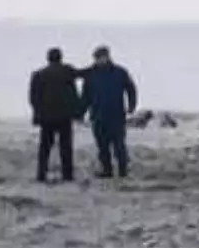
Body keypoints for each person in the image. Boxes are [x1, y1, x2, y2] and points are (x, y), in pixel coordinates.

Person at [79, 45, 138, 178]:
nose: (99, 60)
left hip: (116, 115)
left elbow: (131, 89)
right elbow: (85, 96)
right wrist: (80, 113)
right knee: (102, 146)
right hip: (98, 115)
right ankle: (107, 170)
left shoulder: (119, 72)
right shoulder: (91, 75)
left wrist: (131, 106)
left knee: (119, 145)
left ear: (108, 57)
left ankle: (123, 171)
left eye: (102, 57)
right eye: (97, 58)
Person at [28, 48, 82, 183]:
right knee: (66, 147)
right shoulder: (67, 71)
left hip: (46, 118)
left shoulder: (39, 74)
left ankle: (41, 174)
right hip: (64, 117)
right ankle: (67, 175)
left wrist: (38, 112)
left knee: (45, 147)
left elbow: (33, 98)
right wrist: (77, 111)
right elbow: (81, 75)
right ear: (61, 58)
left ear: (48, 58)